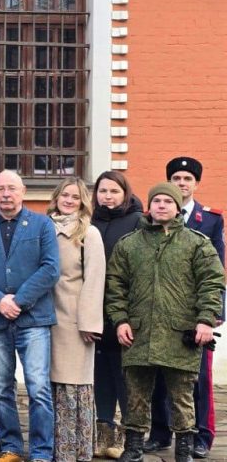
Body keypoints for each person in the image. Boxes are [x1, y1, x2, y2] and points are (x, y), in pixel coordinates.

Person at [106, 183, 224, 462]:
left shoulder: (196, 243)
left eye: (167, 202)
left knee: (182, 395)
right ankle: (133, 446)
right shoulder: (129, 244)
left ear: (176, 207)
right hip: (139, 332)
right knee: (136, 394)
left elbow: (212, 283)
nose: (161, 205)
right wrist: (120, 320)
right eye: (156, 200)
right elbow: (115, 286)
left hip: (181, 332)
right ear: (149, 206)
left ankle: (184, 447)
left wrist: (205, 320)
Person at [0, 170, 60, 462]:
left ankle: (42, 451)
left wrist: (18, 301)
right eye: (1, 189)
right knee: (2, 387)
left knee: (38, 387)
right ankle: (11, 448)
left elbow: (50, 269)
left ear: (23, 191)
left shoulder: (43, 225)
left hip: (33, 319)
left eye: (12, 188)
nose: (6, 194)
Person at [146, 157, 225, 458]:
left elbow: (217, 270)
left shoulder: (211, 219)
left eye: (187, 179)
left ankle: (202, 436)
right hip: (160, 310)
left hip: (195, 314)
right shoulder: (154, 215)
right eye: (176, 178)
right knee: (157, 376)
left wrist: (214, 312)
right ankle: (161, 432)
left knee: (199, 378)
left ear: (196, 183)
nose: (181, 184)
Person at [46, 178, 105, 462]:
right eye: (64, 195)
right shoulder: (44, 228)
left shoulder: (88, 233)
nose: (69, 201)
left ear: (83, 202)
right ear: (56, 197)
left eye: (75, 197)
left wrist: (90, 323)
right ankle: (53, 447)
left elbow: (95, 279)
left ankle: (75, 450)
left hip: (74, 321)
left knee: (74, 385)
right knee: (50, 385)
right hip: (45, 318)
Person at [90, 170, 142, 459]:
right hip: (94, 309)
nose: (107, 196)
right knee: (100, 373)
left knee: (124, 375)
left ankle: (126, 435)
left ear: (125, 194)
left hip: (124, 310)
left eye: (114, 191)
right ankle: (103, 432)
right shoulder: (90, 220)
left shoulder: (136, 222)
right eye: (102, 191)